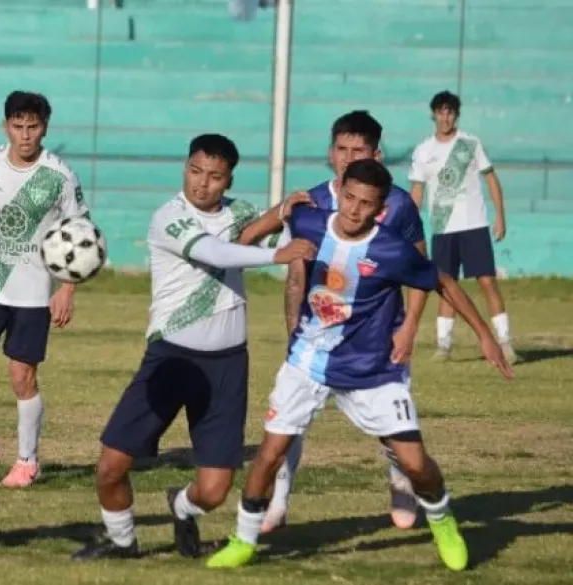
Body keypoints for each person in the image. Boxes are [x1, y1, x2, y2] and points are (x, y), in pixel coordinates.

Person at [206, 159, 514, 572]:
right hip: (308, 362)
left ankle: (442, 520)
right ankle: (243, 541)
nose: (353, 209)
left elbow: (442, 281)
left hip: (372, 372)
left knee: (414, 462)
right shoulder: (310, 221)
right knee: (269, 455)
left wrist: (484, 335)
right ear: (340, 193)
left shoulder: (391, 249)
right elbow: (251, 237)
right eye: (349, 198)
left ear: (380, 209)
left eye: (365, 203)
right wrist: (281, 211)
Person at [71, 134, 317, 561]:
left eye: (214, 176)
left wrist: (284, 214)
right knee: (111, 466)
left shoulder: (239, 213)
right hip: (171, 358)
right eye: (195, 171)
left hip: (227, 365)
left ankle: (182, 506)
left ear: (229, 180)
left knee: (214, 491)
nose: (202, 183)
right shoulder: (169, 217)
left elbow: (260, 236)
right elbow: (215, 252)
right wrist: (276, 253)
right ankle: (122, 540)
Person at [248, 110, 430, 534]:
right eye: (342, 149)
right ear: (331, 152)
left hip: (377, 339)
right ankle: (278, 502)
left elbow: (422, 269)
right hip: (315, 339)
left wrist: (409, 328)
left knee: (392, 425)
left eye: (358, 150)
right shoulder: (310, 203)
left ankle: (400, 479)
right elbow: (285, 263)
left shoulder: (398, 204)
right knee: (289, 422)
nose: (348, 158)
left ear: (376, 155)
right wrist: (293, 329)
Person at [0, 91, 89, 488]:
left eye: (33, 127)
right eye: (18, 126)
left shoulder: (59, 175)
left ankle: (27, 461)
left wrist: (67, 288)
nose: (25, 135)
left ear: (45, 128)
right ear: (5, 126)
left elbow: (79, 233)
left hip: (34, 293)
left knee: (21, 378)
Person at [409, 90, 516, 364]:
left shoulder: (470, 143)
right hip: (442, 228)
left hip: (474, 225)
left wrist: (500, 216)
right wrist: (408, 224)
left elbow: (491, 179)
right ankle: (444, 346)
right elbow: (417, 191)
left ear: (456, 115)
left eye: (450, 112)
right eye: (441, 112)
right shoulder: (423, 151)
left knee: (487, 282)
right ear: (434, 115)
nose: (445, 117)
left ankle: (505, 343)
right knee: (446, 286)